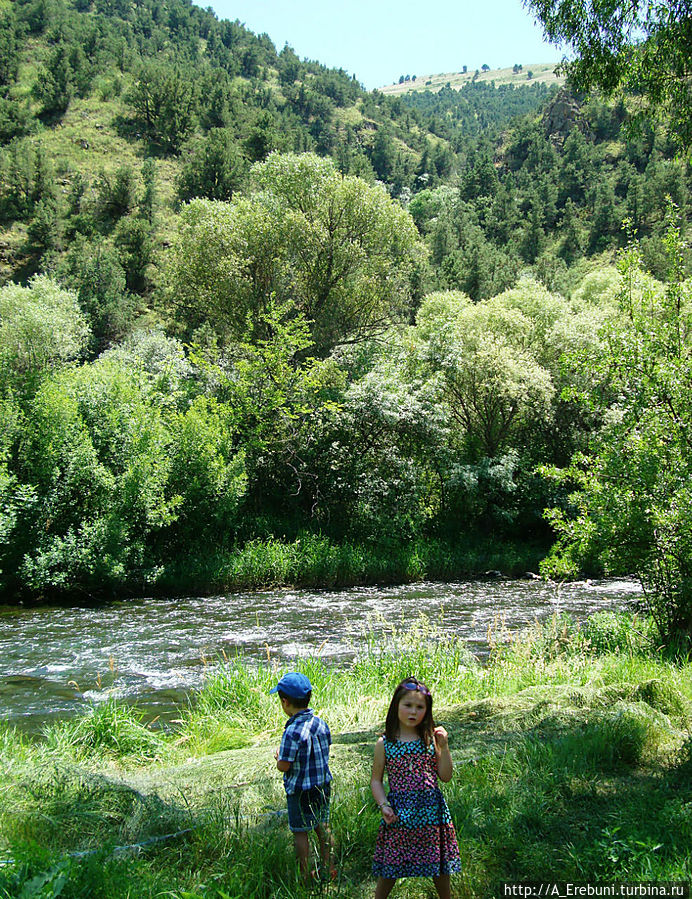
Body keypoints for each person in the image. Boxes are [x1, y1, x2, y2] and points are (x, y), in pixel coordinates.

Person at [370, 676, 461, 899]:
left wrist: (445, 747)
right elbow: (376, 780)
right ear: (396, 707)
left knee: (439, 865)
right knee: (390, 865)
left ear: (427, 711)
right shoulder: (385, 743)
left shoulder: (430, 739)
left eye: (420, 707)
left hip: (431, 813)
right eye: (407, 705)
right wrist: (383, 804)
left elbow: (446, 776)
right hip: (399, 814)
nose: (413, 712)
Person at [270, 671, 335, 882]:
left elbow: (284, 766)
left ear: (285, 702)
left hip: (299, 791)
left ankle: (303, 874)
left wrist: (279, 757)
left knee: (300, 832)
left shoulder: (292, 732)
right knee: (322, 826)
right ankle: (329, 867)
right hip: (322, 786)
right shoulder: (320, 723)